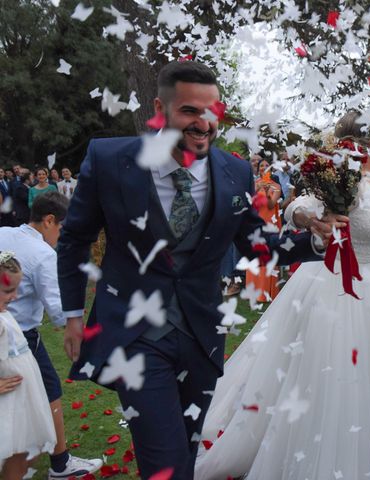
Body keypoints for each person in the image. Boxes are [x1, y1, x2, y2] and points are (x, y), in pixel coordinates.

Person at [56, 60, 339, 480]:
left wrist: (315, 239)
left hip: (201, 337)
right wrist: (74, 317)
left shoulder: (234, 170)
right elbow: (75, 239)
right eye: (190, 110)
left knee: (185, 453)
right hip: (135, 336)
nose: (204, 123)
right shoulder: (109, 159)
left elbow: (258, 247)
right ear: (159, 109)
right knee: (165, 463)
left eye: (213, 111)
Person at [194, 76, 370, 480]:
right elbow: (300, 204)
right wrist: (308, 219)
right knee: (331, 378)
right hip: (333, 292)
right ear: (364, 145)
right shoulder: (339, 180)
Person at [0, 191, 103, 479]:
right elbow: (60, 312)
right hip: (19, 338)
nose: (63, 236)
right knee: (49, 391)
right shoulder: (44, 254)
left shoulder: (3, 232)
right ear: (49, 221)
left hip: (11, 330)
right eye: (62, 229)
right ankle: (60, 463)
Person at [0, 252, 56, 480]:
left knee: (23, 451)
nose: (14, 297)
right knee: (15, 450)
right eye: (7, 291)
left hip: (24, 398)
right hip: (9, 402)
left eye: (16, 290)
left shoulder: (4, 314)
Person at [246, 158, 282, 302]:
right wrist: (256, 189)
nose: (264, 167)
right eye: (262, 165)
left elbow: (272, 204)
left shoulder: (276, 186)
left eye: (267, 165)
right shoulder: (253, 184)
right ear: (258, 168)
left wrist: (267, 193)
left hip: (269, 224)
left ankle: (267, 292)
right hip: (255, 223)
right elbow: (248, 202)